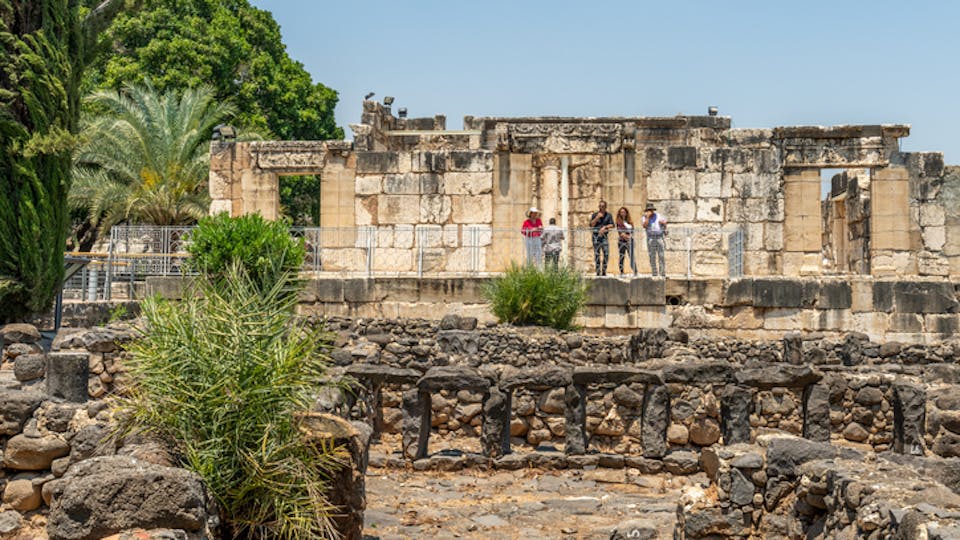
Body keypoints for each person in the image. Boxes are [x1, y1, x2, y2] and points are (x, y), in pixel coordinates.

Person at [589, 200, 615, 276]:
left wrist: (605, 227)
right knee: (597, 254)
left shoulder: (608, 215)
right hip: (596, 236)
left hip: (604, 237)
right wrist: (597, 218)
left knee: (606, 253)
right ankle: (597, 271)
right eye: (600, 206)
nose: (601, 208)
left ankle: (604, 270)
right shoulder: (595, 215)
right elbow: (591, 225)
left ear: (605, 207)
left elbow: (612, 225)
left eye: (603, 206)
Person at [641, 202, 667, 277]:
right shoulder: (644, 217)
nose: (650, 211)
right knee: (652, 256)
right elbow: (644, 226)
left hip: (659, 237)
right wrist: (648, 218)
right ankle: (654, 273)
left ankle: (662, 273)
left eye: (651, 210)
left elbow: (665, 224)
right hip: (651, 238)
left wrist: (664, 223)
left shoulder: (658, 216)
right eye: (649, 210)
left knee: (661, 255)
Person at [615, 207, 638, 275]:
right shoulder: (618, 221)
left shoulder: (630, 221)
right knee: (622, 256)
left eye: (624, 212)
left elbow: (632, 231)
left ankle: (635, 271)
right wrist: (627, 237)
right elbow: (620, 232)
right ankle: (621, 272)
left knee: (631, 256)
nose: (623, 213)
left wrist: (630, 237)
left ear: (626, 213)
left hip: (630, 241)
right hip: (622, 241)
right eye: (621, 212)